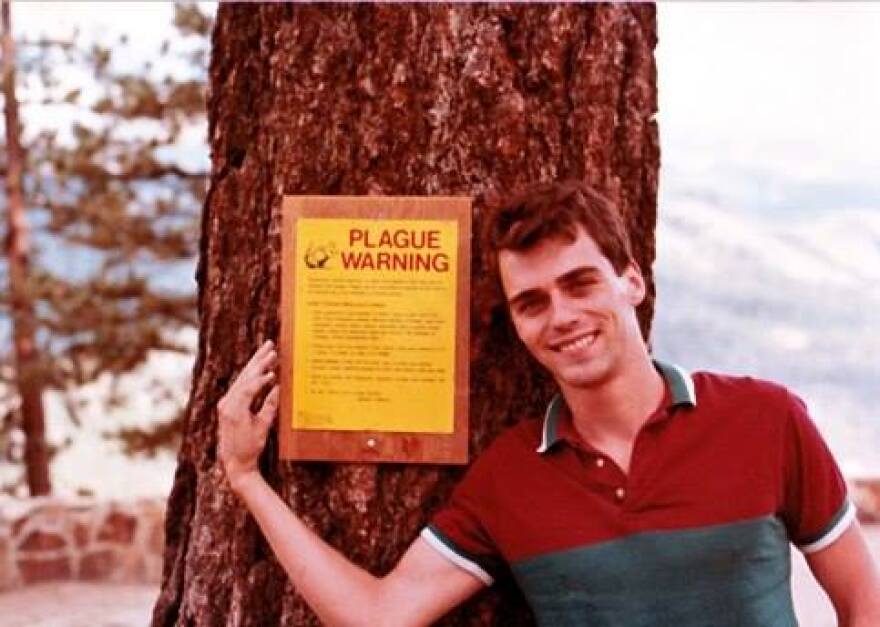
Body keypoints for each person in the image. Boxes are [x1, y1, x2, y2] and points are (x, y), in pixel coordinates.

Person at [218, 180, 880, 625]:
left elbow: (862, 597)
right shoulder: (509, 477)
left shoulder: (765, 420)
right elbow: (381, 615)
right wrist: (248, 479)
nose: (561, 316)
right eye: (532, 302)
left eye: (580, 283)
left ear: (632, 281)